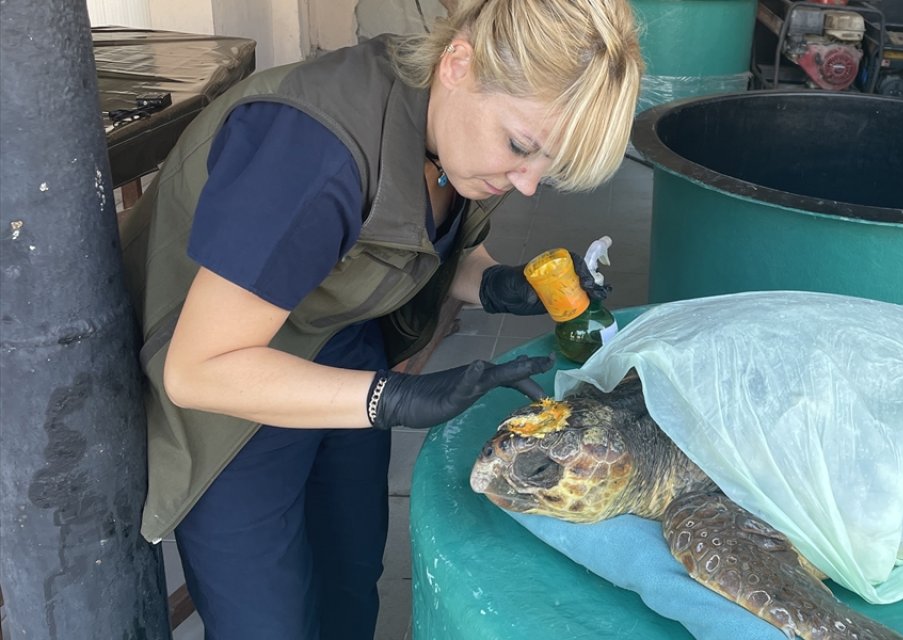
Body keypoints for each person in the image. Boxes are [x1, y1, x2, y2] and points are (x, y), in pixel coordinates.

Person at [119, 1, 643, 637]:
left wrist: (499, 284)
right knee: (267, 622)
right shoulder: (311, 151)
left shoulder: (446, 119)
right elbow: (199, 369)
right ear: (459, 63)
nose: (528, 184)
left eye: (547, 168)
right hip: (231, 389)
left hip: (338, 341)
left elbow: (421, 245)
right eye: (520, 148)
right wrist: (392, 398)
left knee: (350, 573)